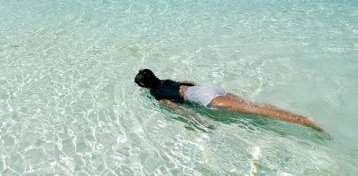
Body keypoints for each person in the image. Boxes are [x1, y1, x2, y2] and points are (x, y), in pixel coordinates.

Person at [134, 68, 324, 132]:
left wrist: (197, 123)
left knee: (255, 110)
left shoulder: (156, 95)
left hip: (203, 96)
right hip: (206, 88)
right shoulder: (166, 80)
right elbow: (189, 82)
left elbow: (178, 109)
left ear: (144, 86)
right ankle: (297, 117)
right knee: (253, 106)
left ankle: (304, 121)